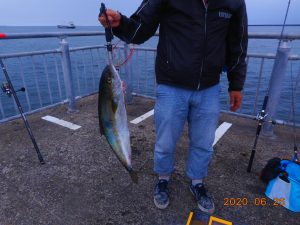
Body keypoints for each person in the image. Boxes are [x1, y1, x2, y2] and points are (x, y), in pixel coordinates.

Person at [99, 0, 248, 214]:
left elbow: (238, 43)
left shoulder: (234, 2)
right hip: (171, 86)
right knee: (165, 142)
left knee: (204, 143)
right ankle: (162, 178)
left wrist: (236, 85)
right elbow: (140, 28)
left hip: (209, 87)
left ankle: (197, 181)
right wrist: (119, 22)